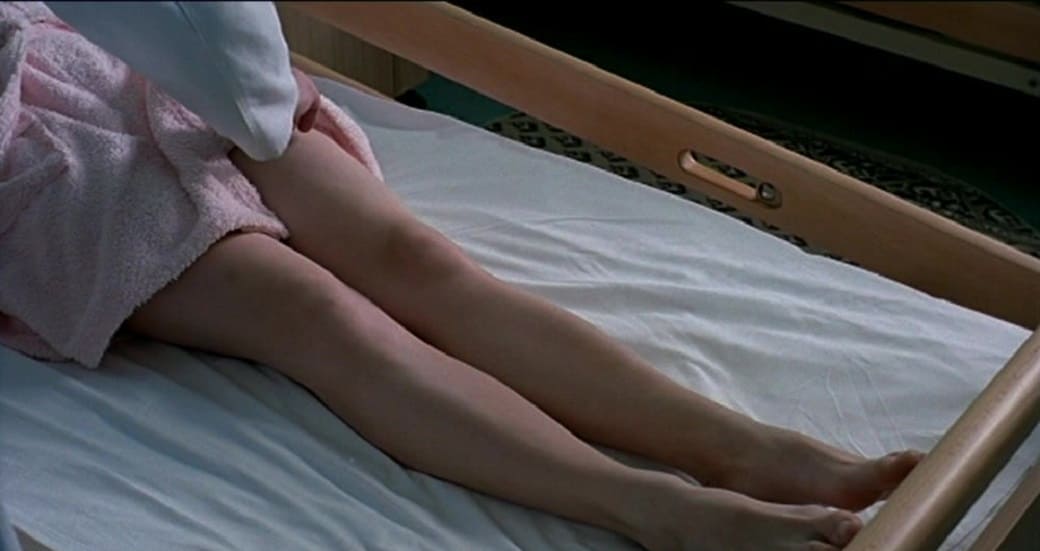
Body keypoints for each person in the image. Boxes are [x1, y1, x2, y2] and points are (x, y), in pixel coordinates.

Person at [0, 2, 923, 549]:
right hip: (27, 150)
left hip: (113, 60)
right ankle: (662, 508)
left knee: (418, 259)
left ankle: (746, 450)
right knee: (313, 312)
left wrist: (251, 83)